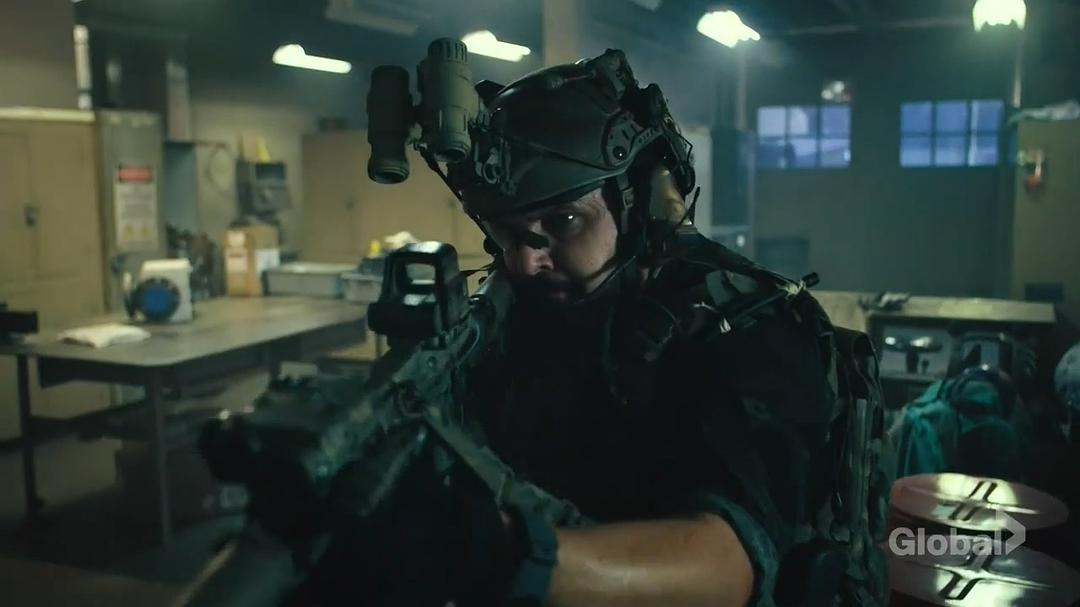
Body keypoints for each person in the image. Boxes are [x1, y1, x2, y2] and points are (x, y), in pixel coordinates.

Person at [305, 48, 889, 607]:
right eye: (505, 232)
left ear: (643, 200)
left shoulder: (753, 329)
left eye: (562, 221)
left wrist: (501, 551)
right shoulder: (528, 308)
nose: (524, 262)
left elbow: (730, 563)